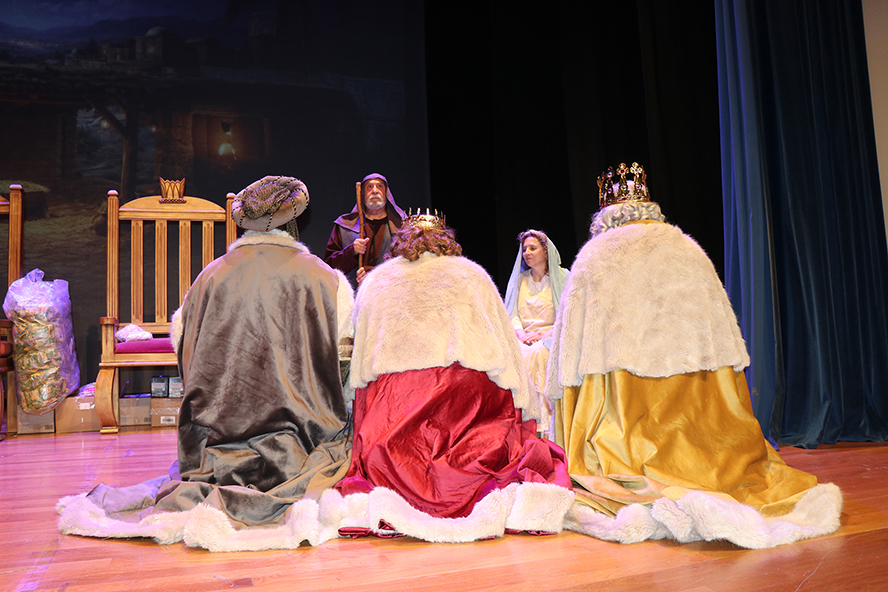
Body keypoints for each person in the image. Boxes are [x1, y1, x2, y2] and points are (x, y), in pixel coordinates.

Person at [546, 162, 842, 548]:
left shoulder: (596, 255)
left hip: (624, 405)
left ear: (604, 215)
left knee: (616, 446)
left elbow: (569, 349)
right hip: (702, 400)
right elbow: (721, 323)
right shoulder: (685, 245)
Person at [58, 175, 357, 551]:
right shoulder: (325, 279)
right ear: (295, 220)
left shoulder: (207, 278)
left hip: (213, 445)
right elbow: (346, 361)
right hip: (299, 445)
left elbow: (182, 349)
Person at [332, 212, 574, 542]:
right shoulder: (471, 275)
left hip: (395, 406)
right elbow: (506, 351)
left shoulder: (378, 280)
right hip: (466, 400)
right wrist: (526, 405)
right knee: (493, 410)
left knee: (382, 421)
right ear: (447, 240)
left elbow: (358, 362)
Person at [503, 229, 569, 439]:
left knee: (539, 352)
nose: (527, 253)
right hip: (523, 336)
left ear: (546, 251)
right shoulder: (520, 280)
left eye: (533, 248)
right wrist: (521, 334)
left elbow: (567, 314)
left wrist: (544, 335)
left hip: (553, 333)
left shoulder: (562, 277)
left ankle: (546, 421)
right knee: (517, 354)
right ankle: (523, 421)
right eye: (524, 249)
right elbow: (512, 313)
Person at [325, 172, 406, 285]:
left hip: (391, 294)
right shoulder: (344, 226)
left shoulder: (403, 227)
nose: (374, 191)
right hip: (354, 296)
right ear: (362, 194)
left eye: (379, 186)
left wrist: (375, 274)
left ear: (386, 193)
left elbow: (410, 264)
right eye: (369, 187)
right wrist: (351, 252)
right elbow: (328, 267)